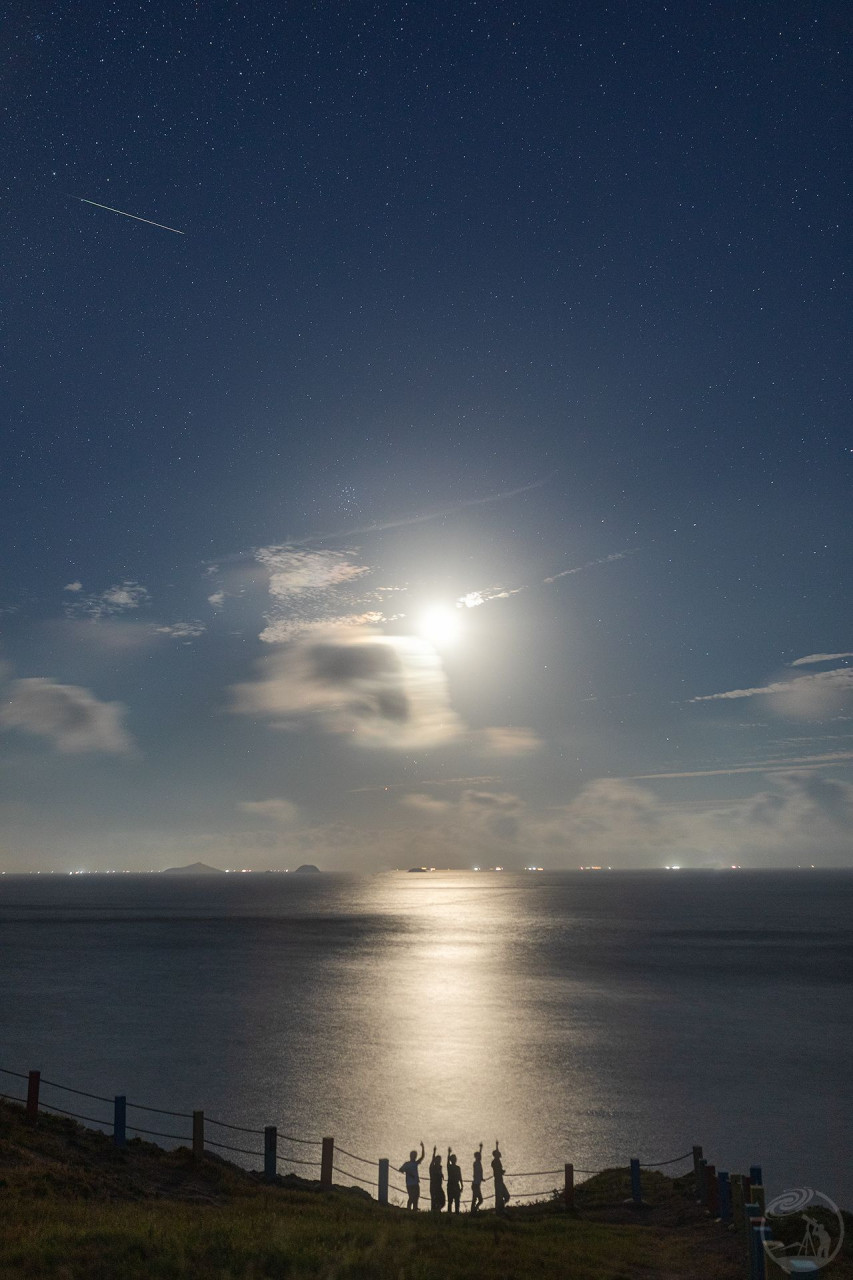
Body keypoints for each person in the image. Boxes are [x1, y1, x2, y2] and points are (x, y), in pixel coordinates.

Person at [398, 1141, 425, 1210]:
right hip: (410, 1184)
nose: (415, 1157)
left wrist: (422, 1147)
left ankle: (415, 1208)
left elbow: (422, 1156)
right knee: (411, 1197)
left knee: (416, 1196)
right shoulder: (407, 1164)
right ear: (411, 1156)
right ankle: (409, 1209)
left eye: (415, 1156)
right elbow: (400, 1169)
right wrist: (408, 1172)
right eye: (414, 1155)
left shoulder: (415, 1163)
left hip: (415, 1183)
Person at [491, 1139, 510, 1214]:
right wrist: (502, 1171)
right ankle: (500, 1209)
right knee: (501, 1196)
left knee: (503, 1196)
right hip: (498, 1181)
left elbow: (496, 1153)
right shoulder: (495, 1162)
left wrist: (497, 1145)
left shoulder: (496, 1161)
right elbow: (498, 1170)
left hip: (499, 1180)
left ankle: (500, 1208)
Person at [446, 1147, 464, 1213]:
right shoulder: (450, 1167)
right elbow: (460, 1177)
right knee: (452, 1201)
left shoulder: (454, 1167)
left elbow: (460, 1177)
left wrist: (462, 1185)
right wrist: (448, 1153)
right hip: (453, 1185)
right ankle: (454, 1213)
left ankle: (453, 1213)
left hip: (454, 1185)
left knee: (454, 1201)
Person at [429, 1145, 446, 1212]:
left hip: (439, 1186)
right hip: (433, 1186)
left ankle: (437, 1209)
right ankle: (434, 1211)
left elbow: (439, 1173)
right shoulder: (432, 1167)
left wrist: (441, 1175)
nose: (439, 1161)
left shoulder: (439, 1167)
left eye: (440, 1160)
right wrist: (434, 1152)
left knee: (442, 1199)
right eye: (438, 1160)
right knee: (434, 1199)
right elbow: (432, 1160)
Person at [470, 1142, 484, 1214]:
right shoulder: (476, 1163)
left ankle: (474, 1210)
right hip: (476, 1184)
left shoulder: (478, 1163)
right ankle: (474, 1209)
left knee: (475, 1199)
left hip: (476, 1184)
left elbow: (479, 1173)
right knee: (479, 1199)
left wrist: (481, 1148)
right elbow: (477, 1173)